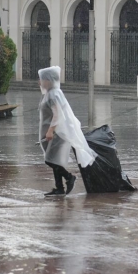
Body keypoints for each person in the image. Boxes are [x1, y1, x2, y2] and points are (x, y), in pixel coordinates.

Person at [38, 66, 97, 196]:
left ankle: (69, 177)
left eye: (42, 79)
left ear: (49, 80)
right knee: (55, 160)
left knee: (50, 160)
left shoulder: (53, 94)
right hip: (54, 132)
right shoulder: (52, 93)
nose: (40, 82)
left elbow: (58, 114)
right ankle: (59, 188)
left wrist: (50, 130)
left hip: (57, 133)